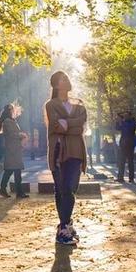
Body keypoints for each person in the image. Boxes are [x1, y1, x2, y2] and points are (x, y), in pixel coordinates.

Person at [44, 70, 87, 246]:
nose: (66, 79)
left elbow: (81, 126)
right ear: (55, 84)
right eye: (62, 78)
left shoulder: (79, 104)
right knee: (61, 189)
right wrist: (72, 125)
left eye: (67, 77)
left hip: (76, 151)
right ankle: (64, 228)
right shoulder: (51, 104)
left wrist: (66, 124)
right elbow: (56, 125)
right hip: (58, 151)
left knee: (71, 188)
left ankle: (64, 225)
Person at [0, 104, 29, 199]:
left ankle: (7, 190)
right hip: (12, 149)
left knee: (10, 170)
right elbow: (12, 134)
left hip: (14, 149)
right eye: (12, 110)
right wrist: (21, 135)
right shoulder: (8, 121)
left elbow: (13, 134)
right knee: (14, 170)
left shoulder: (9, 121)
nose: (14, 111)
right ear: (9, 111)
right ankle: (18, 192)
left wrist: (20, 136)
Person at [116, 110, 136, 182]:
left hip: (130, 144)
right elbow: (117, 128)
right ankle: (120, 177)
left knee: (130, 162)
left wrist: (122, 122)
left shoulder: (132, 123)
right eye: (124, 116)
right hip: (123, 144)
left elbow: (128, 129)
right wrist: (118, 121)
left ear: (130, 116)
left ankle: (131, 178)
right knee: (121, 161)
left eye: (126, 116)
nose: (125, 117)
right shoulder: (123, 122)